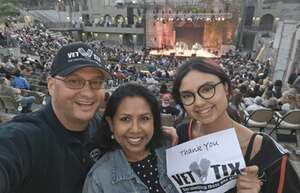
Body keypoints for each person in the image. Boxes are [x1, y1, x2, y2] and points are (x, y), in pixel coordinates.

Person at [172, 58, 300, 193]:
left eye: (207, 89)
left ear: (226, 88)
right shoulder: (179, 137)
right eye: (187, 95)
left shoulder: (268, 154)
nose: (198, 102)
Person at [0, 42, 112, 193]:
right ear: (51, 85)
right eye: (74, 81)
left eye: (96, 82)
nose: (88, 93)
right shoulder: (23, 137)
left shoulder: (101, 126)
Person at [83, 83, 178, 193]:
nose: (135, 129)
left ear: (154, 122)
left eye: (144, 118)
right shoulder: (98, 179)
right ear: (111, 124)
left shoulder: (172, 154)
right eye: (125, 119)